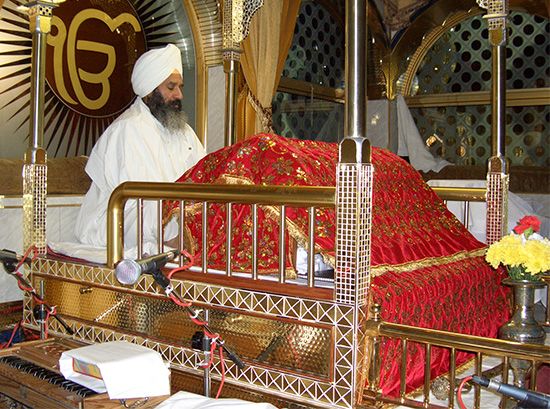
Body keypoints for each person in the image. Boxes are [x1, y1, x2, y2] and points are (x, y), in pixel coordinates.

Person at [74, 44, 206, 250]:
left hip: (174, 231)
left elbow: (204, 178)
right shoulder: (128, 130)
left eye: (179, 87)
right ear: (149, 91)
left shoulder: (185, 132)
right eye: (171, 87)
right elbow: (141, 205)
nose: (179, 95)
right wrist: (181, 235)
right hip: (114, 234)